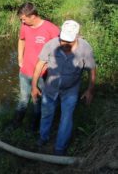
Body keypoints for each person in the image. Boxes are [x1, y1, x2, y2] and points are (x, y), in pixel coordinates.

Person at [31, 20, 96, 155]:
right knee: (46, 114)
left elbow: (92, 69)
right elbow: (39, 65)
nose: (64, 44)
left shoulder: (85, 48)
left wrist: (90, 90)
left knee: (66, 118)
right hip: (50, 87)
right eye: (63, 40)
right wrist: (34, 86)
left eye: (69, 42)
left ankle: (60, 148)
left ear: (77, 36)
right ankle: (43, 138)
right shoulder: (51, 45)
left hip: (71, 90)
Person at [15, 2, 60, 131]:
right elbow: (21, 40)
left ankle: (34, 127)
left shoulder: (51, 29)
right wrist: (20, 58)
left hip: (42, 74)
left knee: (38, 102)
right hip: (25, 71)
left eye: (24, 19)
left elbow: (60, 50)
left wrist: (50, 65)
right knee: (23, 99)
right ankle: (16, 124)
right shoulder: (24, 26)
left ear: (33, 16)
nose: (22, 22)